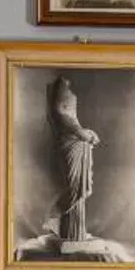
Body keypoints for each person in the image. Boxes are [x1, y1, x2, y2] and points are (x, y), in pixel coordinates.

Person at [46, 75, 99, 246]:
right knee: (74, 185)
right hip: (69, 141)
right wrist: (80, 132)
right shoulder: (59, 88)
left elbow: (71, 118)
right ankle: (57, 221)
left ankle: (76, 233)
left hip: (75, 139)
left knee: (78, 187)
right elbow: (60, 114)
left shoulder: (65, 90)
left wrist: (86, 131)